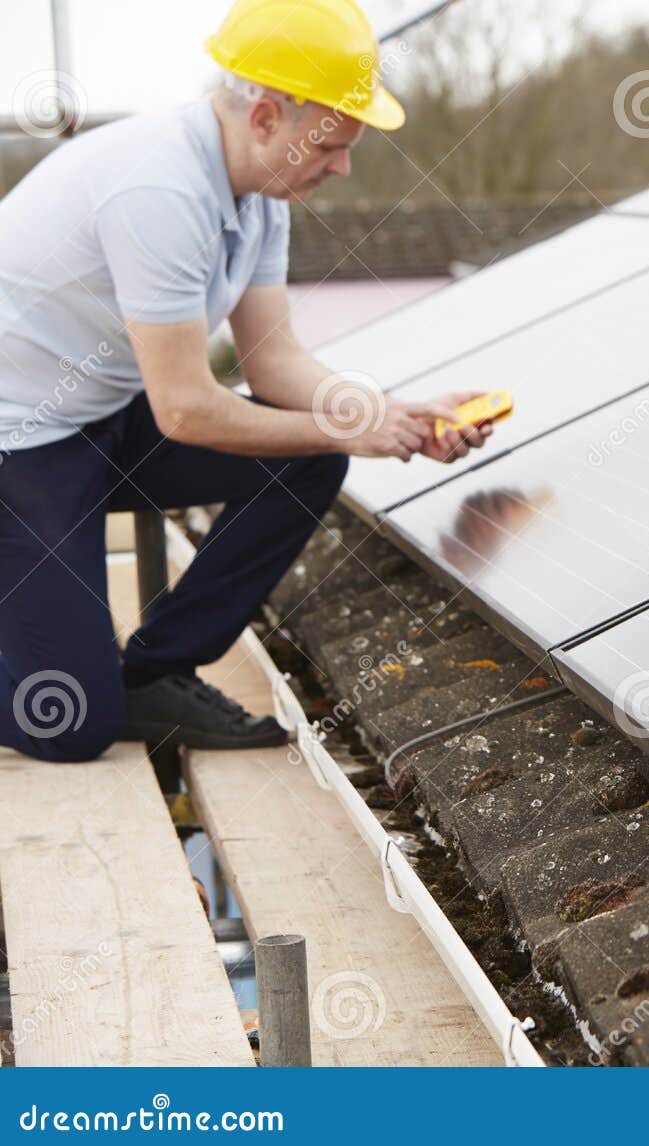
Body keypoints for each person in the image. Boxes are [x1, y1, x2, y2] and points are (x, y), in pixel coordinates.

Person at [0, 0, 491, 762]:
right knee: (66, 725)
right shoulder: (158, 191)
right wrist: (349, 426)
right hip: (20, 442)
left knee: (308, 458)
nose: (343, 166)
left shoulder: (258, 193)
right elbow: (188, 410)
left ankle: (155, 670)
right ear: (266, 118)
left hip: (101, 418)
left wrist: (388, 414)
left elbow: (274, 361)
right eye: (330, 144)